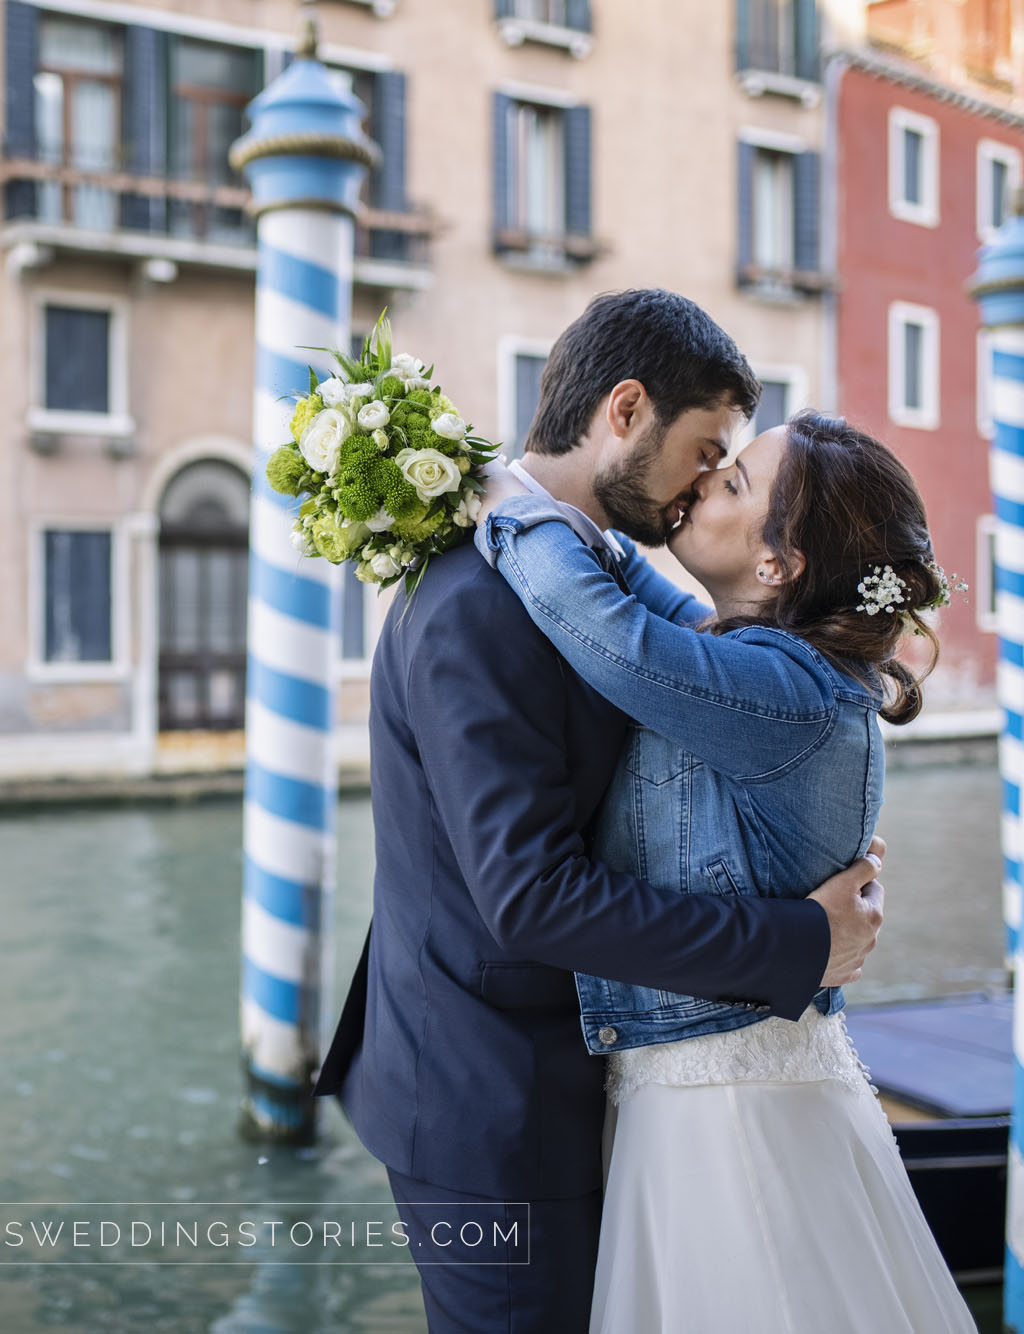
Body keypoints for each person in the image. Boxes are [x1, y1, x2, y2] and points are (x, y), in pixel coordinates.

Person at [312, 290, 887, 1331]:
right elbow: (530, 898)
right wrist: (801, 939)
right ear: (625, 412)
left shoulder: (584, 573)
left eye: (728, 470)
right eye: (705, 452)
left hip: (595, 1080)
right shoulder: (479, 600)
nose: (704, 485)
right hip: (493, 1104)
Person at [473, 407, 975, 1332]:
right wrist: (582, 509)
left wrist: (506, 498)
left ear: (779, 565)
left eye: (734, 482)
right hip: (709, 1089)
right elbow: (639, 597)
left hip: (732, 1113)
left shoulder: (783, 692)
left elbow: (610, 631)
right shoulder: (767, 661)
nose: (704, 482)